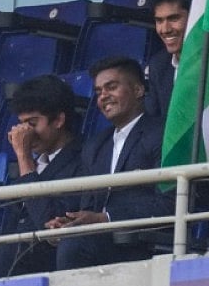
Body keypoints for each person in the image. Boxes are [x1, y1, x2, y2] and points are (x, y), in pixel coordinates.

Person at [49, 56, 171, 270]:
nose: (103, 96)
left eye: (111, 87)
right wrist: (71, 222)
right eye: (98, 92)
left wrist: (107, 218)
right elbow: (88, 206)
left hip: (144, 240)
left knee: (74, 247)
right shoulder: (95, 146)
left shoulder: (161, 133)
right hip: (102, 241)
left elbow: (170, 201)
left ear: (138, 90)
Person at [0, 75, 86, 277]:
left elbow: (51, 220)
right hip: (13, 260)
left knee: (5, 253)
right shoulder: (37, 163)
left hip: (53, 260)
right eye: (21, 124)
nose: (25, 133)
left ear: (59, 120)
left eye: (32, 123)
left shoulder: (84, 157)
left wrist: (24, 158)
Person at [143, 0, 194, 119]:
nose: (165, 29)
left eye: (173, 18)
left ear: (194, 16)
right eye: (159, 21)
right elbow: (155, 125)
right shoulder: (158, 66)